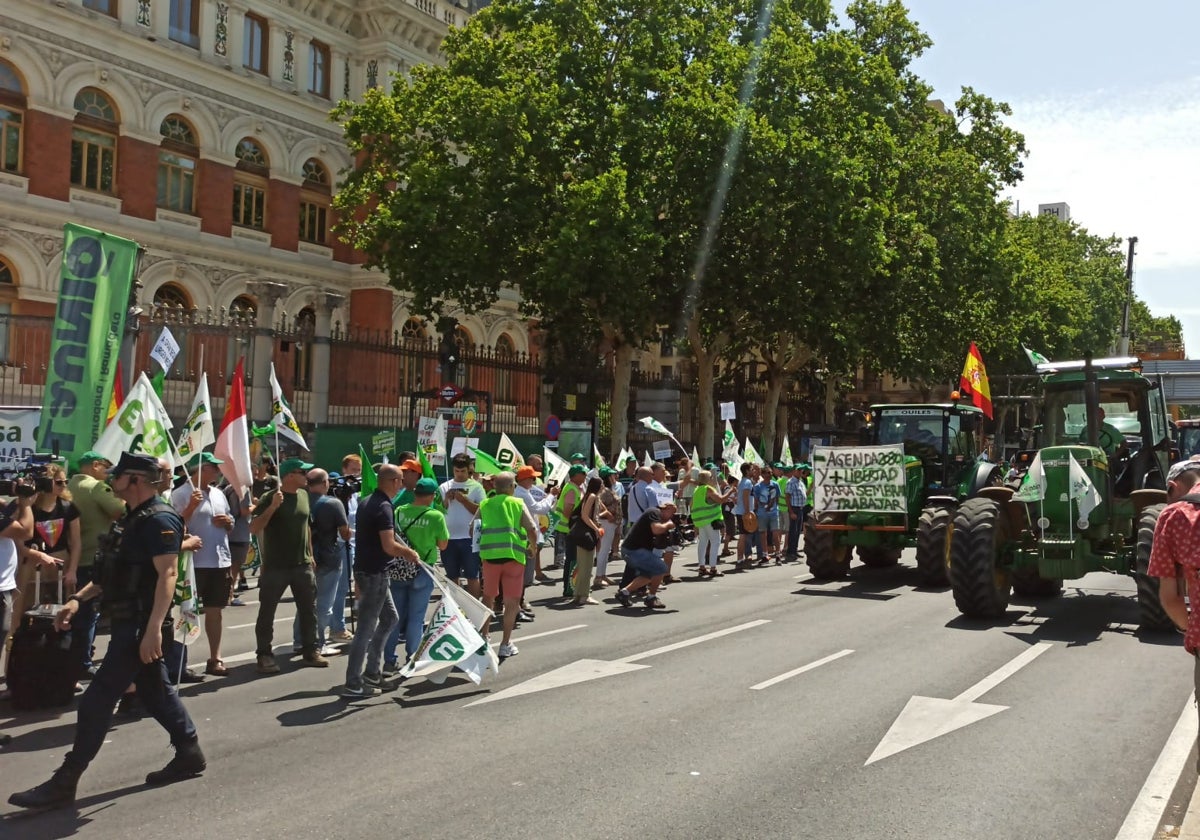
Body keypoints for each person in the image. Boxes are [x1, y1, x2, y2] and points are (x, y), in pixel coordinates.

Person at [9, 453, 205, 811]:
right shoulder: (132, 518)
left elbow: (168, 575)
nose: (110, 481)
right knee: (155, 689)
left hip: (141, 624)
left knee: (98, 700)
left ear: (136, 480)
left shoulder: (160, 518)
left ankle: (66, 780)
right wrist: (77, 601)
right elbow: (109, 573)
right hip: (128, 620)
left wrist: (153, 633)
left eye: (118, 476)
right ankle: (189, 750)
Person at [342, 465, 419, 698]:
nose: (403, 484)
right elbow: (388, 545)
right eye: (401, 480)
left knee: (390, 618)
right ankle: (353, 682)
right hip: (374, 573)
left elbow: (389, 536)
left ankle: (372, 673)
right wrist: (408, 554)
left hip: (370, 571)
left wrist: (404, 548)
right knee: (365, 629)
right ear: (394, 481)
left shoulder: (369, 501)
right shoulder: (384, 506)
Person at [249, 456, 329, 674]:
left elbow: (307, 527)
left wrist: (310, 555)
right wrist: (273, 507)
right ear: (290, 475)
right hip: (276, 565)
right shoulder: (271, 496)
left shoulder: (304, 495)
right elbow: (254, 527)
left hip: (301, 564)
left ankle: (310, 650)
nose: (307, 476)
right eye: (302, 473)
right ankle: (264, 654)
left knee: (309, 610)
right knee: (267, 611)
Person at [171, 452, 234, 677]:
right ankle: (180, 664)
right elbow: (174, 527)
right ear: (200, 469)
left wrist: (228, 522)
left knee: (215, 611)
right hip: (193, 562)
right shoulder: (180, 494)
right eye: (213, 467)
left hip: (219, 560)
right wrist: (190, 507)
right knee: (185, 611)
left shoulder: (218, 493)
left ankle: (215, 658)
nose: (217, 471)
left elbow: (230, 522)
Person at [67, 451, 126, 677]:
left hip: (70, 558)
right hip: (95, 557)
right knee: (88, 614)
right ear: (95, 465)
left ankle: (71, 658)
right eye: (106, 468)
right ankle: (83, 662)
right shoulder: (96, 488)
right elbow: (121, 510)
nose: (108, 473)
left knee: (72, 613)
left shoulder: (67, 485)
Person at [383, 477, 448, 675]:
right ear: (431, 496)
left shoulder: (398, 511)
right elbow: (443, 545)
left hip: (398, 568)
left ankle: (388, 660)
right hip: (422, 568)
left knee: (394, 617)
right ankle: (413, 658)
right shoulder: (436, 516)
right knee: (416, 618)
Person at [479, 471, 539, 660]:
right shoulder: (517, 503)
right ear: (512, 487)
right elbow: (531, 529)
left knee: (488, 599)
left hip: (490, 558)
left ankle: (484, 639)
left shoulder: (485, 504)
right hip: (513, 557)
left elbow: (474, 528)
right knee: (511, 602)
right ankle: (505, 644)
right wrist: (533, 547)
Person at [294, 468, 350, 656]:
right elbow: (345, 533)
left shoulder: (300, 500)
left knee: (305, 602)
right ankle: (318, 642)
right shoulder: (334, 503)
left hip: (303, 557)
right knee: (324, 603)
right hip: (328, 558)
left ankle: (299, 640)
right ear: (325, 483)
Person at [14, 464, 79, 624]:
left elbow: (76, 543)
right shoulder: (29, 508)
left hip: (61, 563)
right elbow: (18, 543)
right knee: (22, 609)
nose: (63, 485)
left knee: (62, 609)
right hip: (31, 564)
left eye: (65, 481)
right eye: (58, 482)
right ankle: (13, 643)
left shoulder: (68, 507)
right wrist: (37, 555)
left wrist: (72, 571)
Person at [614, 500, 677, 610]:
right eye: (672, 513)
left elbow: (659, 542)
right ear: (666, 508)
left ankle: (624, 593)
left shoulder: (658, 518)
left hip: (632, 550)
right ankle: (651, 598)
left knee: (649, 574)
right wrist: (668, 525)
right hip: (633, 550)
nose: (672, 516)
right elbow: (656, 530)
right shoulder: (654, 512)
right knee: (661, 568)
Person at [439, 453, 486, 597]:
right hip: (449, 538)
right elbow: (439, 511)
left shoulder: (477, 487)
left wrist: (464, 501)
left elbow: (482, 511)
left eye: (463, 471)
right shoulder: (444, 486)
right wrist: (446, 499)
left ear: (469, 469)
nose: (459, 474)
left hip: (469, 538)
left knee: (472, 576)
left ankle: (475, 611)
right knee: (452, 576)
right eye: (456, 471)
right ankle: (456, 609)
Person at [328, 453, 363, 642]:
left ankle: (337, 625)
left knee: (346, 586)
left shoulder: (356, 493)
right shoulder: (337, 493)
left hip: (353, 544)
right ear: (344, 471)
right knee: (340, 589)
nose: (356, 475)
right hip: (341, 545)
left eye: (359, 471)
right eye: (353, 471)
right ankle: (337, 628)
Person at [569, 477, 604, 606]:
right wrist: (596, 529)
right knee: (587, 566)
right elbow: (585, 515)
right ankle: (584, 595)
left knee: (582, 565)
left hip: (583, 534)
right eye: (602, 484)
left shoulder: (588, 495)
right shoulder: (593, 497)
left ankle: (578, 594)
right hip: (587, 534)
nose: (603, 486)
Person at [556, 465, 588, 598]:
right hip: (569, 529)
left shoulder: (576, 488)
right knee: (572, 559)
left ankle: (572, 586)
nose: (585, 476)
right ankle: (569, 588)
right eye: (583, 473)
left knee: (574, 559)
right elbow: (568, 511)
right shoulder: (571, 489)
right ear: (575, 475)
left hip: (572, 529)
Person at [692, 470, 730, 577]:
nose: (713, 479)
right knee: (715, 542)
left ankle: (702, 567)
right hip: (711, 520)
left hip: (700, 521)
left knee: (703, 543)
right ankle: (713, 568)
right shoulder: (708, 489)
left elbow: (692, 505)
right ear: (707, 479)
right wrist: (730, 492)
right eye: (711, 477)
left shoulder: (697, 490)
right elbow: (721, 500)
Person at [223, 479, 252, 607]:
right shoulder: (242, 489)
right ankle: (228, 596)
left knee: (230, 568)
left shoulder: (227, 488)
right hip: (240, 533)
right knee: (234, 568)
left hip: (230, 533)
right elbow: (244, 511)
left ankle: (227, 595)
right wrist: (257, 505)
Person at [594, 467, 622, 588]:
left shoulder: (608, 490)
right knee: (603, 550)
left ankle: (603, 574)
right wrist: (608, 514)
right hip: (605, 523)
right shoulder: (603, 491)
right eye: (611, 476)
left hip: (611, 523)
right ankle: (599, 577)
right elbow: (598, 506)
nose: (614, 477)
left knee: (605, 551)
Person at [730, 463, 756, 571]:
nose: (753, 471)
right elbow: (745, 498)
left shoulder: (742, 482)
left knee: (743, 536)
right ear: (746, 471)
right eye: (751, 469)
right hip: (743, 513)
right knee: (743, 537)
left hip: (741, 512)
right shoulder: (747, 482)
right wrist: (747, 512)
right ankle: (740, 560)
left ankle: (741, 559)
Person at [752, 468, 780, 565]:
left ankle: (778, 554)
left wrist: (773, 507)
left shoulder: (775, 484)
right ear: (762, 475)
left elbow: (777, 497)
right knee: (763, 534)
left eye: (771, 472)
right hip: (762, 513)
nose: (770, 474)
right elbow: (756, 500)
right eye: (767, 473)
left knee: (775, 534)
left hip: (773, 513)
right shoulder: (757, 486)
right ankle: (765, 555)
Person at [785, 464, 808, 562]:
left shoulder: (800, 482)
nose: (800, 472)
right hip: (794, 508)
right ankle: (790, 552)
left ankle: (794, 550)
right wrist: (791, 512)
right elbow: (787, 497)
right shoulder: (791, 482)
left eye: (801, 470)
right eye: (798, 470)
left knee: (798, 531)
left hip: (801, 508)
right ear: (794, 471)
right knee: (793, 531)